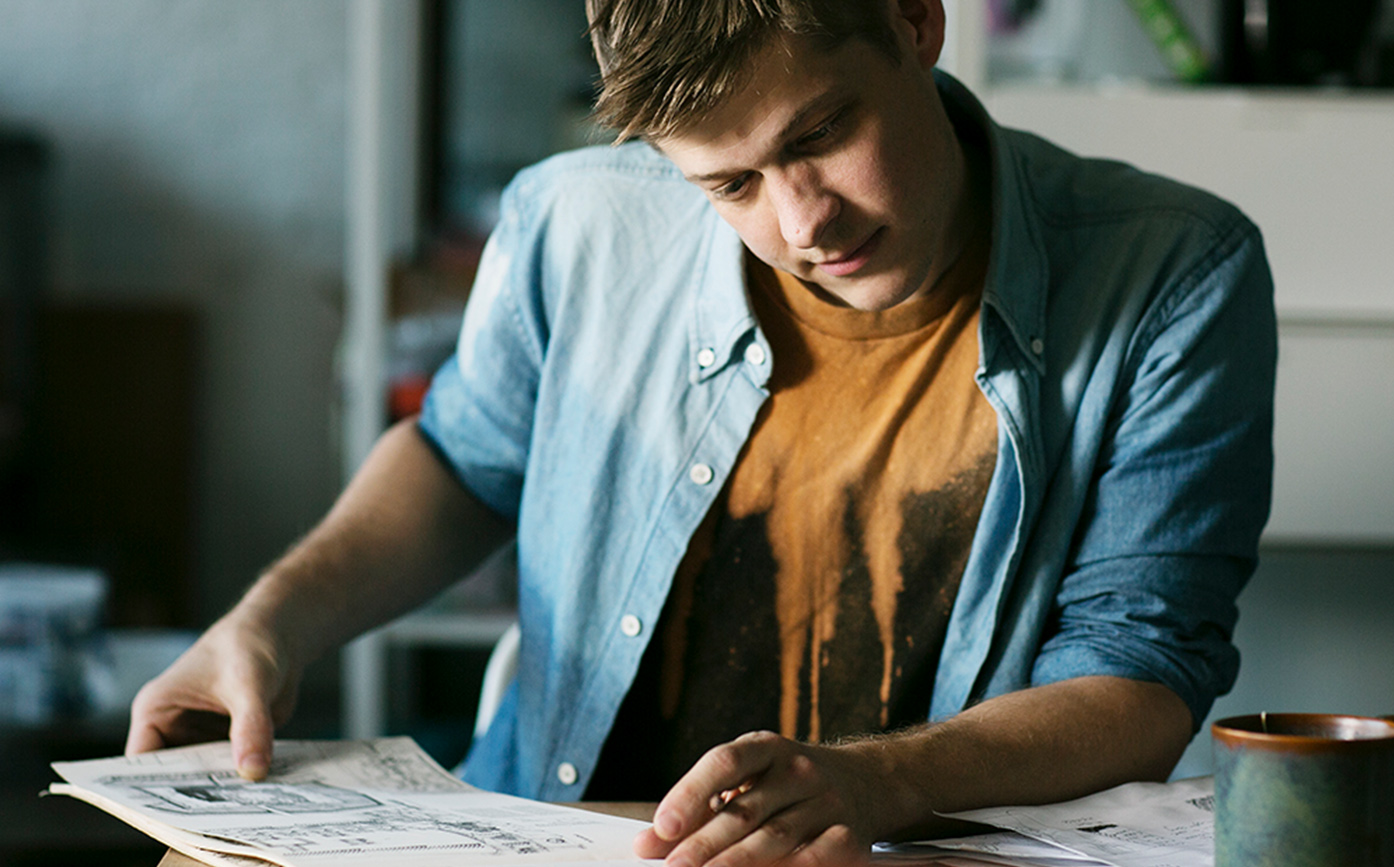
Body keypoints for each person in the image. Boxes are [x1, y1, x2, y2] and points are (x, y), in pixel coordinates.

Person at [128, 1, 1276, 866]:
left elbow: (1138, 673)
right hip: (546, 830)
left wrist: (876, 785)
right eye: (730, 186)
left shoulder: (1172, 273)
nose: (802, 222)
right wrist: (266, 624)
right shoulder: (573, 223)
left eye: (823, 132)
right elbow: (458, 464)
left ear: (916, 22)